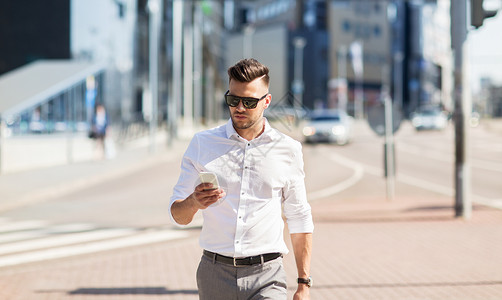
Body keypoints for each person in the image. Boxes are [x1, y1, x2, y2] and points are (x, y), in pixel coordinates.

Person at [169, 58, 314, 299]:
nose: (239, 108)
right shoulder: (202, 144)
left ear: (266, 101)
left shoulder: (287, 149)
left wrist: (303, 284)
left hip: (267, 275)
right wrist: (194, 201)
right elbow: (177, 215)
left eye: (249, 102)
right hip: (214, 273)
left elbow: (299, 217)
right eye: (233, 100)